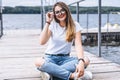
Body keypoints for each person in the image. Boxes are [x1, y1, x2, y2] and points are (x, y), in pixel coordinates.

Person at [35, 1, 92, 80]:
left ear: (66, 11)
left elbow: (78, 45)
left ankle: (51, 72)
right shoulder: (52, 24)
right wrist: (48, 22)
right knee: (38, 61)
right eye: (57, 12)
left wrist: (81, 61)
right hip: (50, 58)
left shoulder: (75, 25)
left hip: (65, 59)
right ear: (54, 14)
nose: (60, 13)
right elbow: (42, 42)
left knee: (86, 60)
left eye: (62, 10)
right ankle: (72, 76)